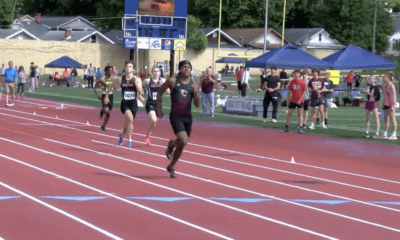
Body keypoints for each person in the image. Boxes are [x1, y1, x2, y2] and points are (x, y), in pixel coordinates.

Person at [156, 60, 200, 178]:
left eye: (189, 67)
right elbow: (159, 92)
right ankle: (172, 144)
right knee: (183, 140)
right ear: (179, 69)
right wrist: (158, 108)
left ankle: (171, 165)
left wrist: (195, 94)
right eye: (184, 67)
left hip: (187, 117)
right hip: (176, 116)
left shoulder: (193, 84)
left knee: (181, 145)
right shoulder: (172, 81)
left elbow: (197, 105)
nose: (187, 69)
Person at [104, 61, 145, 147]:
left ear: (133, 69)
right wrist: (107, 96)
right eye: (127, 66)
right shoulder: (120, 79)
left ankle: (121, 136)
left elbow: (140, 91)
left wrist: (135, 83)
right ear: (125, 68)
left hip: (133, 103)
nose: (128, 68)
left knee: (128, 122)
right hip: (125, 103)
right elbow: (111, 86)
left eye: (130, 66)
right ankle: (129, 139)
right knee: (129, 119)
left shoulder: (137, 79)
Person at [143, 66, 169, 146]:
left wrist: (163, 85)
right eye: (154, 71)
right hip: (150, 103)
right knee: (153, 119)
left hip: (158, 104)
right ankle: (147, 136)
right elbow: (139, 88)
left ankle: (147, 136)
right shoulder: (147, 80)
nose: (156, 73)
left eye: (158, 71)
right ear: (152, 72)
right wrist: (141, 97)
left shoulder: (163, 80)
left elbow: (168, 92)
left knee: (154, 123)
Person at [94, 66, 115, 131]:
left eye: (111, 70)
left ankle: (103, 125)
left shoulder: (113, 79)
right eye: (109, 70)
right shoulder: (102, 79)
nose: (110, 72)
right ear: (106, 71)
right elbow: (95, 87)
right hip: (104, 96)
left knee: (108, 113)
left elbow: (114, 88)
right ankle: (102, 111)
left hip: (110, 96)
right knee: (106, 110)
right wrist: (97, 95)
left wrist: (113, 89)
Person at [379, 73, 397, 140]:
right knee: (386, 120)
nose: (384, 79)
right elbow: (385, 96)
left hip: (390, 105)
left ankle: (394, 134)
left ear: (388, 78)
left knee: (393, 120)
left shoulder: (391, 86)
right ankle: (384, 134)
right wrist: (383, 103)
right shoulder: (386, 86)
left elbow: (393, 97)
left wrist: (393, 106)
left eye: (385, 78)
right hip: (386, 105)